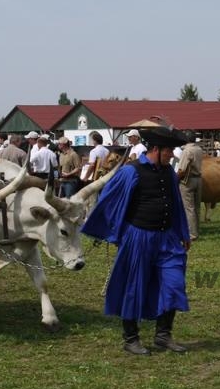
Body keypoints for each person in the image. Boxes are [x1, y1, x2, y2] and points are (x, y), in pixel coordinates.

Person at [82, 125, 192, 356]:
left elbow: (176, 205)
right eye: (169, 150)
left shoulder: (168, 173)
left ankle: (163, 335)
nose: (172, 155)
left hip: (167, 239)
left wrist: (182, 232)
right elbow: (110, 200)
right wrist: (116, 233)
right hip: (138, 237)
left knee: (173, 283)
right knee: (134, 287)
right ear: (156, 149)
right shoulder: (130, 172)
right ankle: (131, 338)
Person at [177, 130, 203, 241]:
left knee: (189, 208)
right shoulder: (199, 149)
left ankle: (192, 234)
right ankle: (196, 230)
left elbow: (182, 169)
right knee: (196, 207)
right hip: (198, 179)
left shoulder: (187, 151)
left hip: (187, 181)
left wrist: (175, 178)